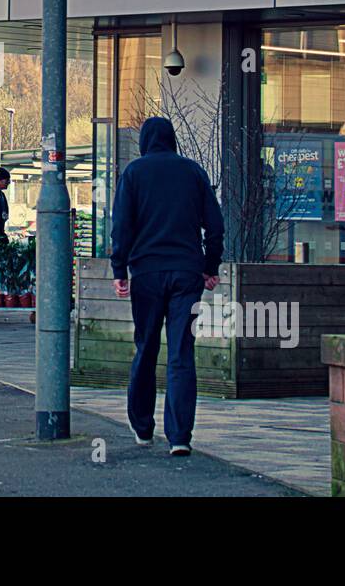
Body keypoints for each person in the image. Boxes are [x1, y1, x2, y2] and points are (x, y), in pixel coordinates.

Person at [110, 116, 223, 456]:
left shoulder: (133, 174)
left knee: (146, 348)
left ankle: (143, 428)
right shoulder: (193, 172)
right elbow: (215, 226)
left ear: (145, 142)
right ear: (172, 139)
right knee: (181, 352)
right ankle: (180, 437)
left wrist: (120, 269)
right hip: (186, 274)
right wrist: (209, 266)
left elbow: (121, 227)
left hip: (146, 273)